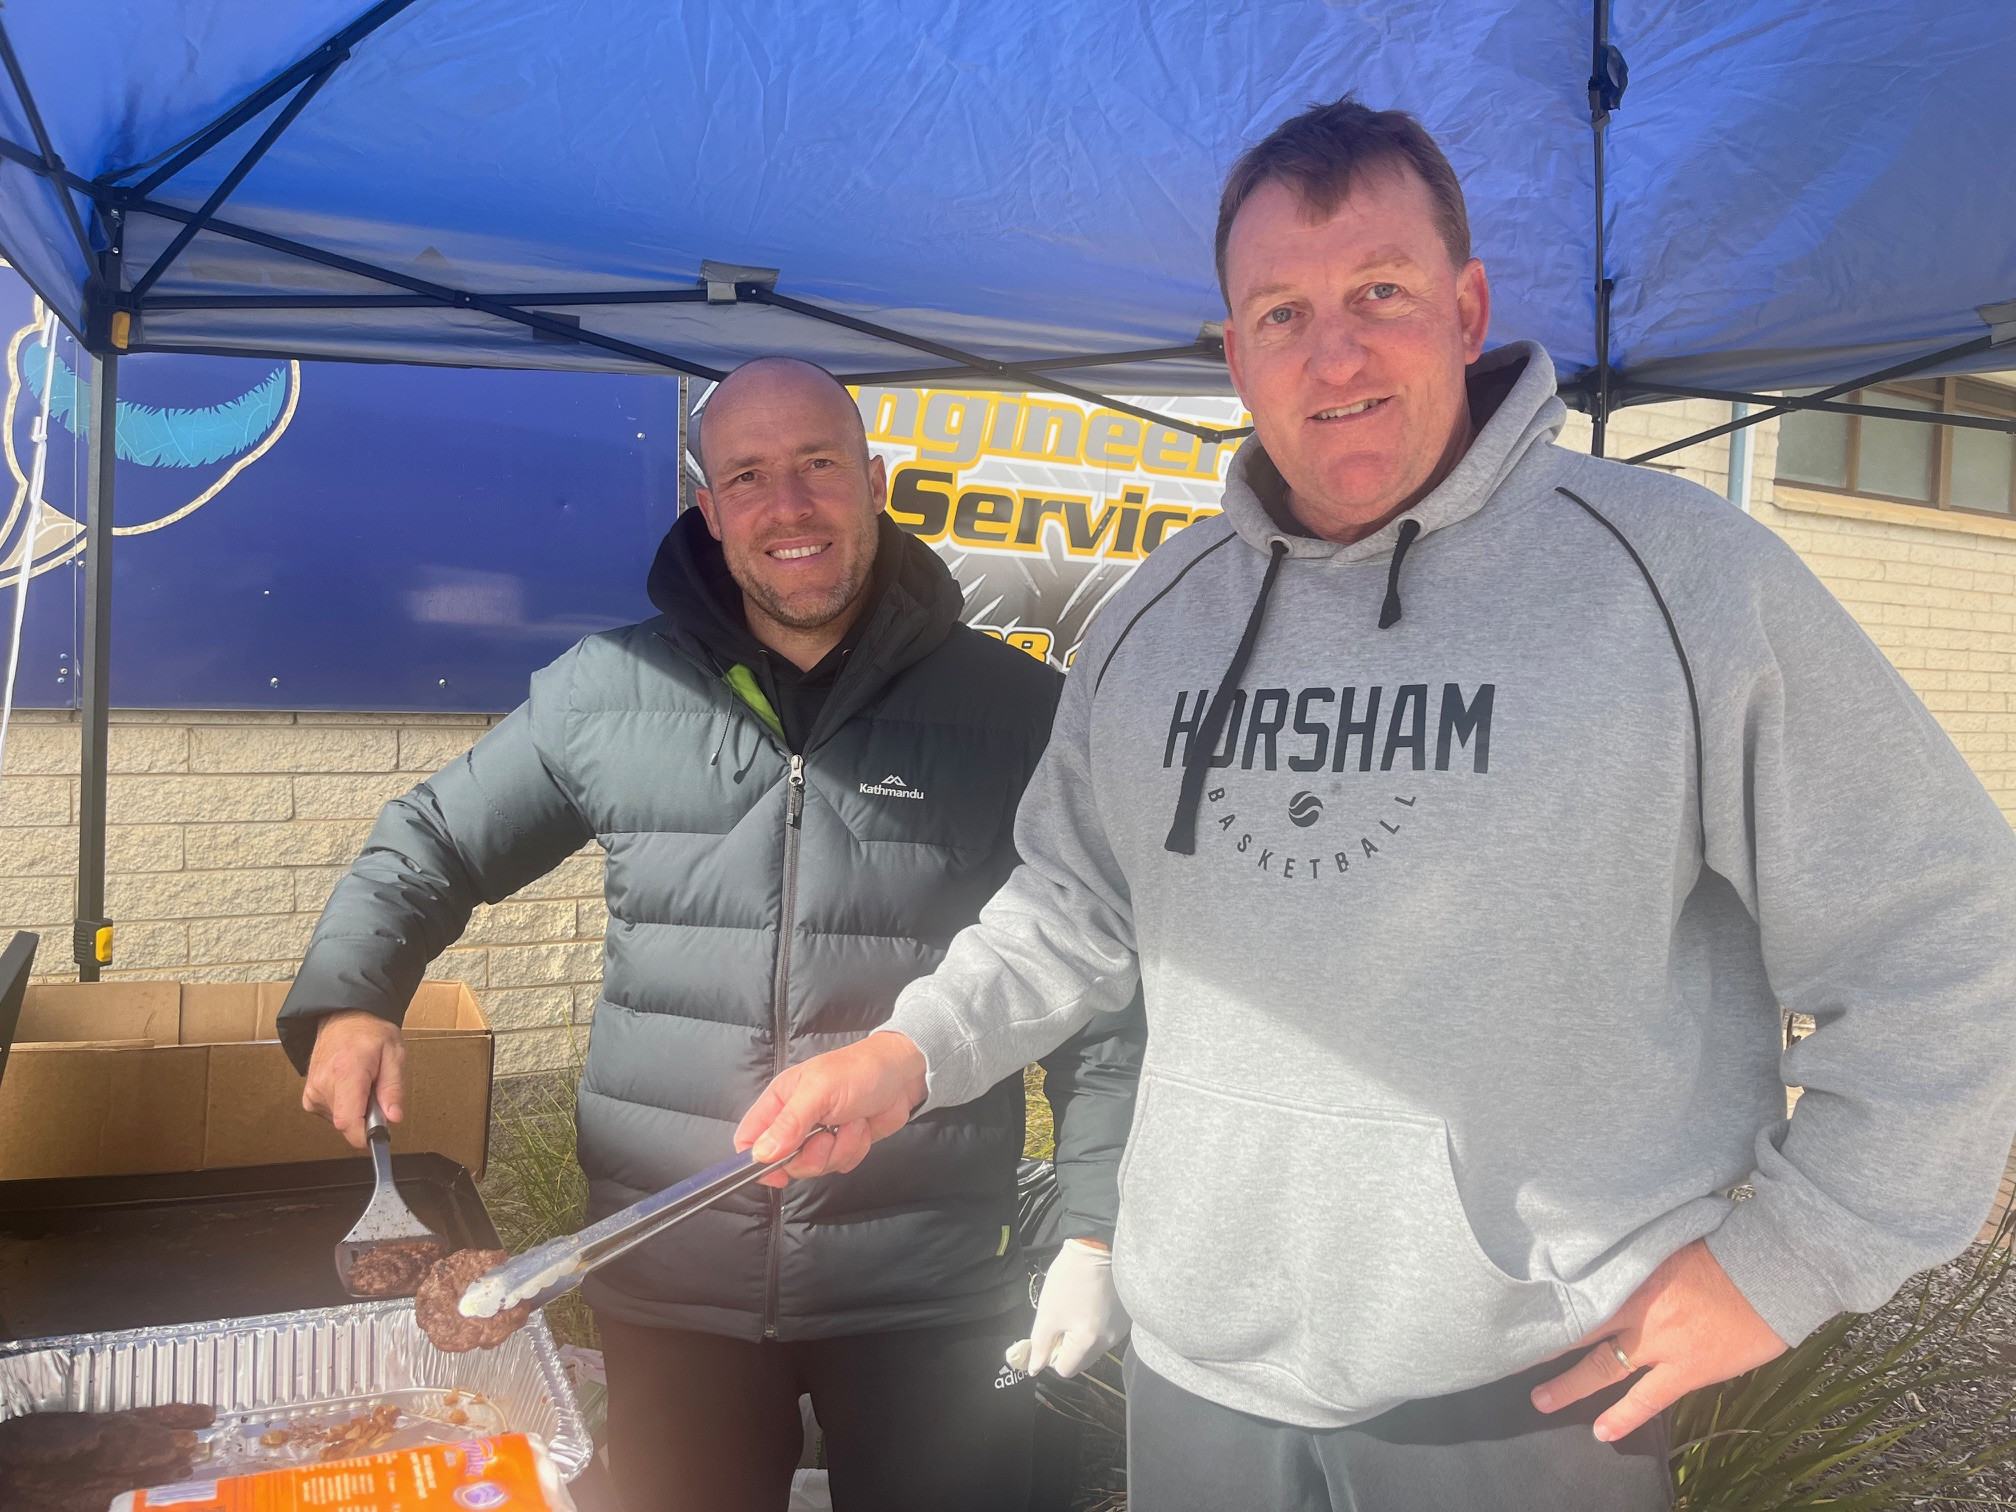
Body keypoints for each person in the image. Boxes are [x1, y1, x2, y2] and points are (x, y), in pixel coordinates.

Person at [729, 98, 2016, 1512]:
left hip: (1526, 1396)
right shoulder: (1156, 616)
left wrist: (1794, 1260)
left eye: (1381, 293)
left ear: (1466, 308)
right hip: (1200, 1377)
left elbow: (1947, 937)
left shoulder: (1683, 586)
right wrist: (909, 1057)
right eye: (1280, 313)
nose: (1332, 354)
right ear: (1232, 354)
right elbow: (1074, 905)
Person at [278, 356, 1143, 1512]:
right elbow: (430, 841)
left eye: (817, 466)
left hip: (925, 1290)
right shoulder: (608, 692)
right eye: (748, 476)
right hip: (666, 1282)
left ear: (876, 481)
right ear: (709, 509)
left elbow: (1095, 987)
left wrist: (1094, 1231)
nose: (788, 506)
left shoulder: (1016, 713)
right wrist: (353, 995)